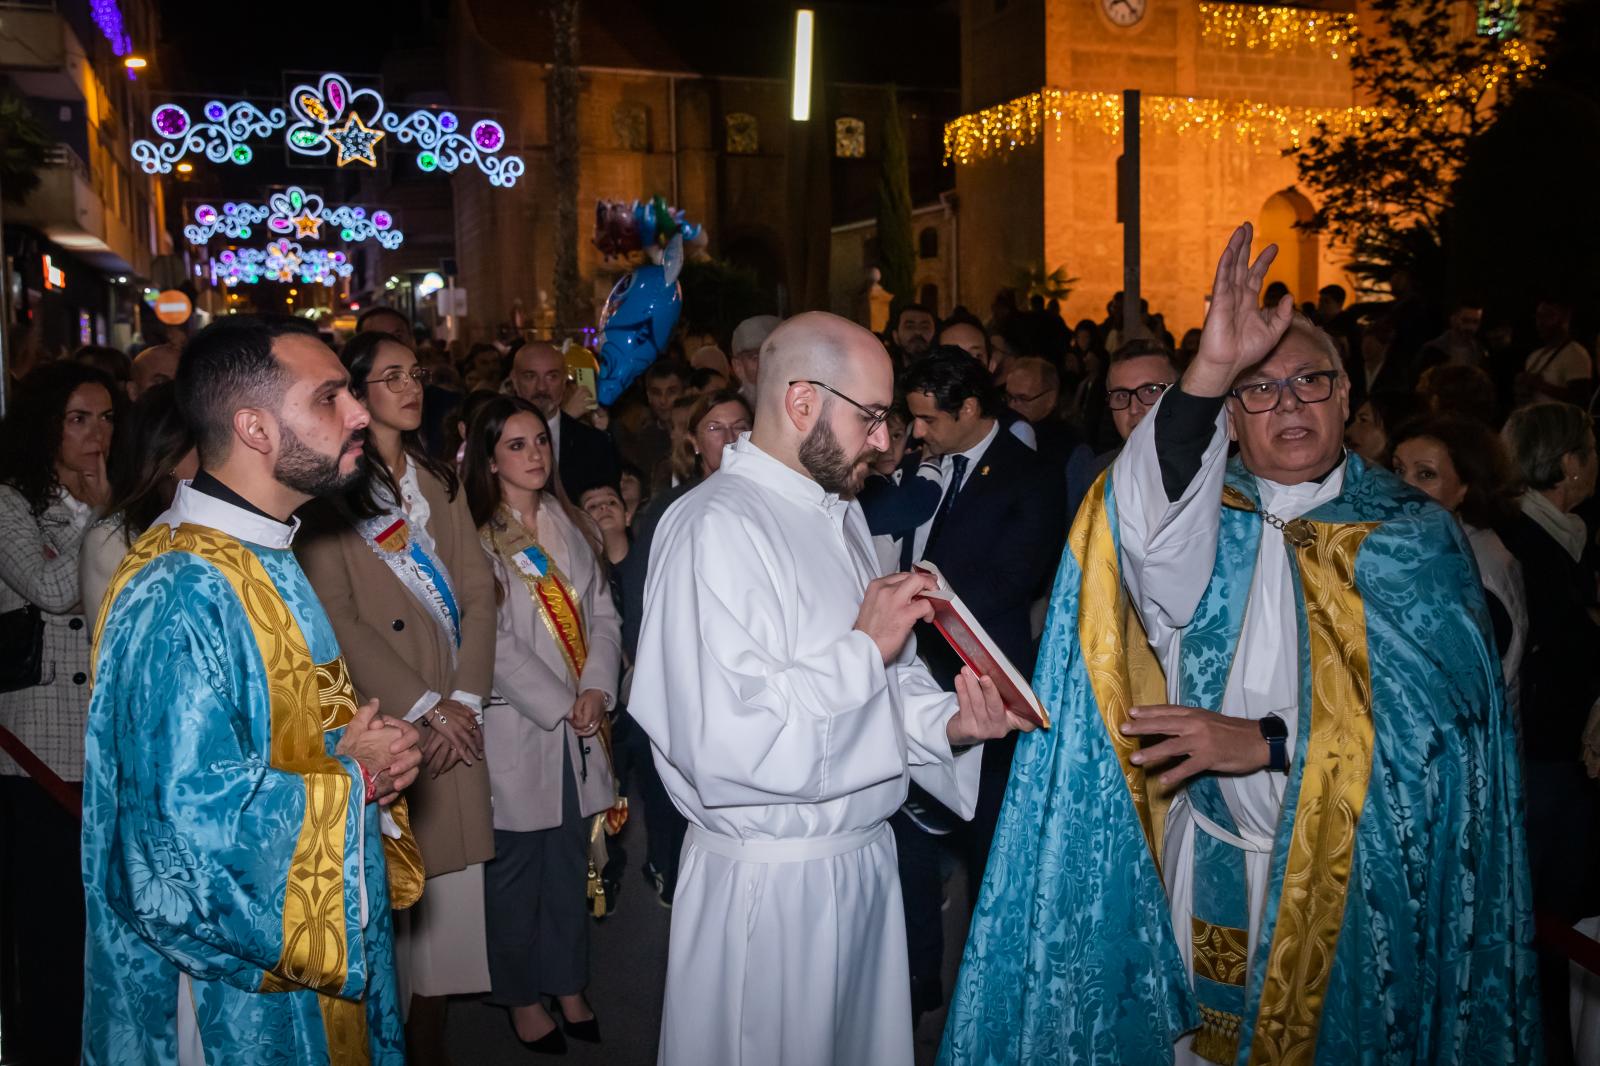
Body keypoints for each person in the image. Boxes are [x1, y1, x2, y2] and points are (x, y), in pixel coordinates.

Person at [944, 225, 1538, 1063]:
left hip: (1359, 888)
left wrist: (1264, 744)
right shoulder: (1203, 516)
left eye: (1311, 382)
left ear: (1346, 400)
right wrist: (1209, 369)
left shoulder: (1416, 542)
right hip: (1211, 861)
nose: (1289, 403)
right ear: (1230, 416)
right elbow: (1138, 521)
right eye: (1259, 390)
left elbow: (1449, 738)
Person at [631, 311, 1032, 1066]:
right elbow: (725, 741)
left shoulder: (840, 509)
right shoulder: (711, 527)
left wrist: (947, 724)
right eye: (874, 418)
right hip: (774, 891)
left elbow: (890, 676)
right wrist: (861, 649)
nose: (887, 443)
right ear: (803, 402)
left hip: (862, 865)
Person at [82, 315, 425, 1064]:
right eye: (330, 397)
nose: (359, 411)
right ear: (256, 429)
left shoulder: (259, 550)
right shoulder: (180, 592)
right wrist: (353, 778)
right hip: (232, 997)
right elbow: (176, 842)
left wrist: (362, 763)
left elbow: (273, 744)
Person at [295, 331, 499, 1062]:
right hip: (391, 726)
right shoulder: (326, 492)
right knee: (394, 939)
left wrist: (466, 700)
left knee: (449, 941)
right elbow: (339, 617)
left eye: (415, 373)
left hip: (457, 722)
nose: (410, 387)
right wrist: (423, 707)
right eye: (389, 376)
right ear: (355, 391)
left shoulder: (438, 481)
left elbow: (478, 590)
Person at [896, 347, 1066, 1019]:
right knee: (907, 841)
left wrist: (921, 605)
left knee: (988, 843)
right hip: (905, 678)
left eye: (927, 420)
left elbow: (1015, 577)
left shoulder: (1031, 475)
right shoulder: (913, 468)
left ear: (969, 410)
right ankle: (915, 979)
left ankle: (988, 989)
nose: (917, 433)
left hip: (983, 684)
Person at [464, 397, 621, 1053]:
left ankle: (568, 982)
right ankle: (520, 994)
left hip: (578, 725)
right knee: (515, 873)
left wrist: (596, 688)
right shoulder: (477, 536)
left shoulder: (570, 520)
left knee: (569, 863)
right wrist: (562, 700)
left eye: (540, 443)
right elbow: (489, 641)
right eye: (517, 446)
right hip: (521, 726)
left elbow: (606, 615)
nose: (534, 456)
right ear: (490, 460)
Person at [0, 361, 115, 1065]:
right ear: (48, 425)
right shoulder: (12, 501)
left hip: (101, 743)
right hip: (32, 749)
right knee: (45, 930)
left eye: (106, 419)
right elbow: (47, 585)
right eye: (79, 419)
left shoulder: (125, 499)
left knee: (95, 930)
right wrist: (98, 514)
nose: (96, 434)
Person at [1500, 401, 1600, 1060]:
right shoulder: (1525, 542)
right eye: (1591, 451)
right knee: (1543, 906)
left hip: (1556, 753)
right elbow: (1556, 651)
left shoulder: (1564, 535)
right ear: (1569, 464)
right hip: (1539, 756)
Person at [1390, 415, 1527, 705]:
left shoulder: (1470, 572)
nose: (1402, 487)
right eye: (1398, 470)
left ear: (1466, 487)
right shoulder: (1442, 546)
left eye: (1425, 475)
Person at [79, 382, 198, 619]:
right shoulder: (112, 539)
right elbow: (116, 646)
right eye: (206, 442)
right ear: (171, 450)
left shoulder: (215, 522)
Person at [1065, 340, 1178, 520]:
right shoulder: (1096, 477)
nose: (1134, 408)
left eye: (1150, 391)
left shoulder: (1211, 475)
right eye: (1122, 396)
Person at [511, 342, 621, 498]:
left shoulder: (595, 444)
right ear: (514, 380)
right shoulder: (495, 440)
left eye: (552, 377)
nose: (541, 387)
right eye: (530, 376)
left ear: (564, 382)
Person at [616, 362, 688, 476]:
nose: (663, 401)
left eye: (671, 392)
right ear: (649, 396)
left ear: (685, 393)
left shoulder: (699, 432)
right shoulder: (644, 442)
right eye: (656, 393)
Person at [1519, 299, 1593, 406]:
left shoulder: (1576, 354)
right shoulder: (1533, 357)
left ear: (1565, 318)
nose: (1540, 322)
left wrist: (1540, 385)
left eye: (1547, 316)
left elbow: (1581, 399)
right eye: (1538, 316)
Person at [730, 314, 781, 406]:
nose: (767, 364)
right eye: (755, 358)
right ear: (738, 366)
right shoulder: (731, 412)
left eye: (773, 355)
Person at [1418, 302, 1487, 370]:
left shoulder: (1480, 352)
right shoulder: (1432, 350)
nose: (1470, 327)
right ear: (1453, 319)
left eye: (1475, 322)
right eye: (1465, 320)